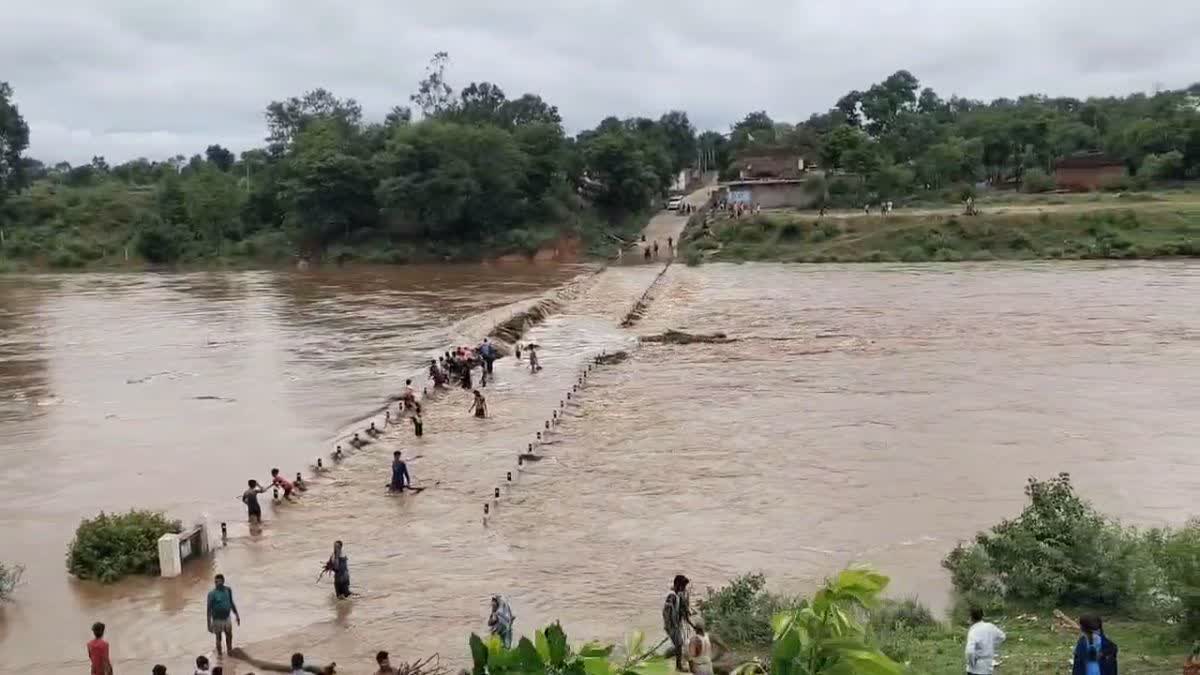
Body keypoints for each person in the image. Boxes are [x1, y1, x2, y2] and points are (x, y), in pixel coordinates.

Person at [663, 575, 694, 672]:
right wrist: (670, 626)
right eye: (683, 586)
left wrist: (690, 623)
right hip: (672, 625)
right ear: (678, 585)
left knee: (679, 644)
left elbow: (682, 611)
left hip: (676, 624)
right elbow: (666, 612)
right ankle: (678, 666)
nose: (684, 588)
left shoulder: (678, 595)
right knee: (679, 644)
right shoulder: (671, 596)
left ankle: (679, 664)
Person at [207, 573, 240, 656]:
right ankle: (220, 655)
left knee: (229, 635)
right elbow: (208, 610)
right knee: (218, 638)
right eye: (215, 582)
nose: (216, 584)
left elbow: (231, 603)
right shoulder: (212, 594)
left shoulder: (228, 590)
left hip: (227, 618)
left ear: (223, 581)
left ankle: (229, 651)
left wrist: (237, 615)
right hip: (217, 620)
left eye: (218, 582)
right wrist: (209, 624)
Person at [964, 607, 1005, 675]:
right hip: (988, 666)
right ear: (982, 616)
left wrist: (971, 663)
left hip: (976, 669)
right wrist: (991, 644)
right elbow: (1002, 637)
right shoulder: (990, 626)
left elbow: (970, 651)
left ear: (971, 618)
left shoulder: (973, 631)